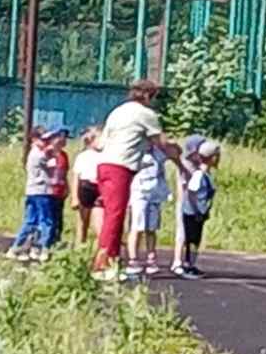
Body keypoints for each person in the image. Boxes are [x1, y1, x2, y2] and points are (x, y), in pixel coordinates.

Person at [93, 81, 180, 280]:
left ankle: (110, 261)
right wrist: (178, 155)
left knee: (112, 215)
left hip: (104, 164)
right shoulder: (145, 115)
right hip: (120, 167)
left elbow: (101, 143)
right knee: (115, 216)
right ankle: (104, 264)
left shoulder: (118, 111)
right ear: (148, 96)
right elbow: (161, 143)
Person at [126, 143, 176, 278]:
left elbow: (174, 152)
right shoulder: (135, 152)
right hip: (139, 192)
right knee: (137, 227)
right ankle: (133, 259)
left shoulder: (158, 152)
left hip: (155, 193)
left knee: (151, 228)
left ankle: (151, 258)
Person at [9, 130, 59, 261]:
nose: (46, 143)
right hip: (41, 191)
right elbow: (53, 166)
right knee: (46, 221)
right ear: (34, 140)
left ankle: (17, 247)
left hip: (31, 191)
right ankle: (43, 248)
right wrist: (53, 153)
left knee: (30, 221)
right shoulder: (39, 155)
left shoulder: (34, 154)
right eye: (43, 140)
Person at [173, 139, 220, 279]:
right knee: (192, 240)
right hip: (193, 213)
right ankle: (188, 265)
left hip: (198, 212)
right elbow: (191, 192)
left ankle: (191, 264)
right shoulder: (199, 174)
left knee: (195, 240)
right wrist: (197, 211)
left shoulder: (205, 174)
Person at [71, 127, 103, 246]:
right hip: (85, 187)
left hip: (99, 188)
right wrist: (75, 197)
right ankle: (79, 248)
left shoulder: (105, 155)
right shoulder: (83, 156)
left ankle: (100, 250)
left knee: (99, 223)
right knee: (82, 223)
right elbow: (76, 177)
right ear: (91, 140)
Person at [44, 127, 71, 252]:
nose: (64, 141)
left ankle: (56, 242)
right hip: (49, 191)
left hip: (60, 192)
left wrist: (67, 187)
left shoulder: (64, 155)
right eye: (62, 137)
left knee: (58, 219)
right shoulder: (47, 154)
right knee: (49, 218)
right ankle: (45, 243)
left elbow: (64, 173)